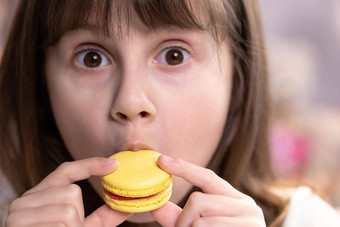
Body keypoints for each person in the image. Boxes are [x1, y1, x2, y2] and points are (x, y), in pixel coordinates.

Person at [0, 0, 339, 226]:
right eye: (92, 58)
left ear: (238, 82)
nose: (131, 102)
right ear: (41, 88)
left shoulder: (307, 219)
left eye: (174, 55)